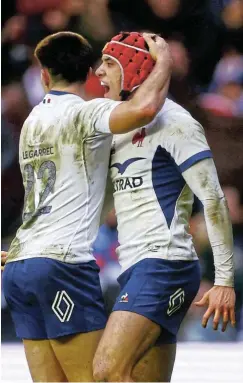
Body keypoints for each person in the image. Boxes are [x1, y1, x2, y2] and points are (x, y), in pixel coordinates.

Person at [1, 31, 172, 382]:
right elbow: (145, 109)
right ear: (91, 72)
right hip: (62, 264)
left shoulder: (31, 122)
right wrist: (163, 59)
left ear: (44, 74)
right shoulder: (85, 114)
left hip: (20, 263)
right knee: (99, 379)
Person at [93, 32, 236, 382]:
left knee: (107, 371)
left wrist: (224, 281)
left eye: (110, 63)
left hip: (163, 264)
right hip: (137, 266)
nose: (98, 72)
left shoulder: (177, 123)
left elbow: (214, 200)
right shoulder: (119, 124)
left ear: (135, 67)